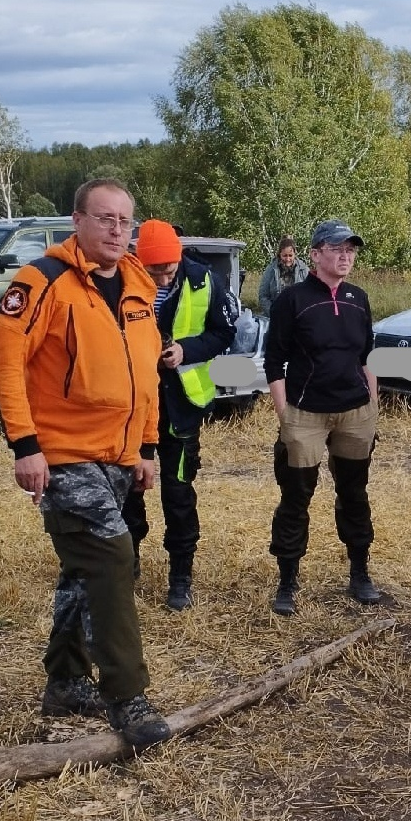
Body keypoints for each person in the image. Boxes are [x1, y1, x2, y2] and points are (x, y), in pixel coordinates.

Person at [0, 178, 172, 749]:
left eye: (125, 221)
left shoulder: (140, 285)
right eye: (105, 218)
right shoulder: (42, 281)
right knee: (114, 557)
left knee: (83, 570)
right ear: (78, 221)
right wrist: (24, 445)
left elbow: (146, 373)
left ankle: (66, 681)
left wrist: (146, 447)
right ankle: (127, 695)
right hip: (62, 453)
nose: (118, 230)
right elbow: (6, 357)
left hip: (118, 455)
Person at [264, 219, 384, 615]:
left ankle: (360, 574)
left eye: (350, 250)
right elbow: (274, 362)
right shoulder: (292, 300)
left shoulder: (358, 298)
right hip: (305, 414)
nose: (345, 256)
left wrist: (373, 404)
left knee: (354, 493)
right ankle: (287, 580)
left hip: (354, 412)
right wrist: (285, 415)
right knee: (296, 497)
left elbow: (367, 356)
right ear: (315, 255)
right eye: (336, 249)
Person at [121, 219, 236, 610]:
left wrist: (186, 350)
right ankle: (127, 563)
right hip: (130, 407)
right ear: (140, 261)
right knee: (127, 489)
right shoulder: (120, 280)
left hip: (180, 406)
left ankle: (180, 576)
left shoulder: (204, 280)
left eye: (169, 267)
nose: (164, 275)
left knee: (178, 493)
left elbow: (224, 333)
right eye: (156, 269)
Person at [257, 233, 308, 312]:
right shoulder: (271, 270)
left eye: (290, 255)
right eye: (285, 255)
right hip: (277, 315)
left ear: (295, 254)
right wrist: (273, 312)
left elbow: (311, 295)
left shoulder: (304, 269)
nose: (288, 259)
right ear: (279, 254)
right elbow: (263, 296)